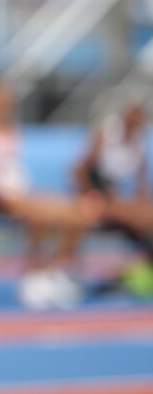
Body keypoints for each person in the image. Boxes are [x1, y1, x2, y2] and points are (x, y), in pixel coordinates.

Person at [0, 81, 104, 309]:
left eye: (7, 103)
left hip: (20, 193)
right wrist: (3, 195)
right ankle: (34, 273)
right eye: (0, 103)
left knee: (80, 213)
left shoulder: (10, 130)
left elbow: (13, 168)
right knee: (39, 215)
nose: (5, 107)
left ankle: (51, 270)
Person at [73, 101, 153, 299]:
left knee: (146, 215)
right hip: (98, 194)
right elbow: (79, 170)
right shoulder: (106, 135)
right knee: (140, 219)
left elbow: (141, 185)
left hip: (116, 197)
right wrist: (91, 195)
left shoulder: (138, 143)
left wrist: (142, 203)